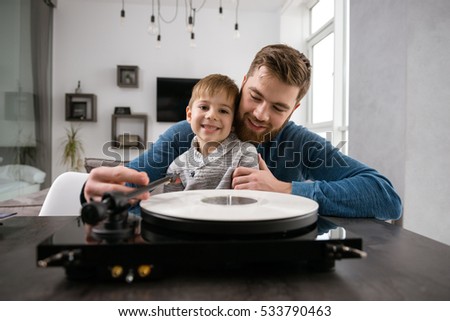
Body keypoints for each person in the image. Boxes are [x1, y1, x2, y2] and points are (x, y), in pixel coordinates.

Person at [82, 44, 402, 220]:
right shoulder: (187, 135)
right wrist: (96, 188)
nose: (261, 115)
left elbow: (385, 196)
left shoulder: (299, 141)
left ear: (293, 109)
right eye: (255, 97)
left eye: (278, 108)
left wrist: (285, 190)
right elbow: (129, 184)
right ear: (243, 82)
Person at [162, 73, 258, 192]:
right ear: (190, 114)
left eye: (223, 110)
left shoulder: (245, 153)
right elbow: (170, 206)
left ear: (233, 122)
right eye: (204, 107)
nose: (212, 115)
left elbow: (250, 199)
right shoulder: (177, 166)